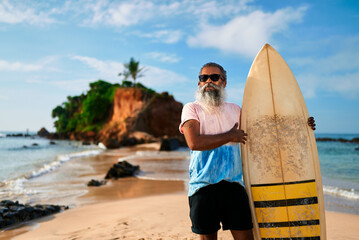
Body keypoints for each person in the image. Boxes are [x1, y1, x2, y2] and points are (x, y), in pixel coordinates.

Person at [179, 62, 316, 240]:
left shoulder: (235, 110)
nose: (208, 82)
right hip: (203, 187)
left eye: (214, 77)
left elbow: (264, 133)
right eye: (203, 78)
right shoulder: (192, 108)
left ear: (223, 82)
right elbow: (194, 142)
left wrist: (301, 124)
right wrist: (230, 136)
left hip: (234, 186)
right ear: (199, 83)